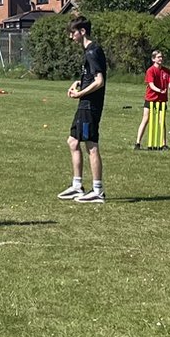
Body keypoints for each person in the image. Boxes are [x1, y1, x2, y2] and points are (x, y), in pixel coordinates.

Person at [59, 16, 106, 203]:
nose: (71, 37)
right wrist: (77, 83)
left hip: (90, 106)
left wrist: (80, 94)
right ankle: (77, 186)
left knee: (91, 146)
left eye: (73, 33)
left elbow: (99, 81)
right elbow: (90, 76)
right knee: (72, 141)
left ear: (82, 31)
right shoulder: (88, 51)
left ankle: (97, 190)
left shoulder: (93, 51)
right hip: (84, 105)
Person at [134, 49, 170, 151]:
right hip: (151, 98)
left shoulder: (166, 71)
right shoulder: (150, 70)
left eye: (161, 57)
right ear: (153, 59)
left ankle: (163, 144)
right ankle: (137, 143)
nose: (161, 59)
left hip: (162, 100)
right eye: (158, 57)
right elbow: (151, 85)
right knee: (145, 120)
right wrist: (159, 90)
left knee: (162, 121)